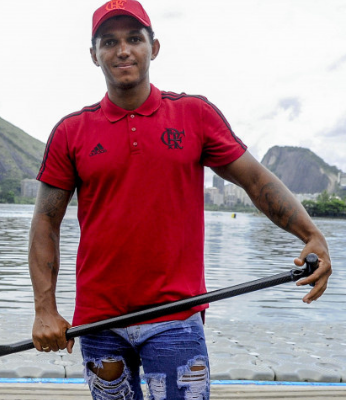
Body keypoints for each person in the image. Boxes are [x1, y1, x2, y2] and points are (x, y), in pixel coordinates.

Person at [28, 1, 332, 399]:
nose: (123, 50)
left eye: (134, 39)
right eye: (110, 41)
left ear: (153, 48)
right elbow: (46, 222)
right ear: (94, 54)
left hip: (176, 318)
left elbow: (256, 181)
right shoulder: (71, 131)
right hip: (99, 322)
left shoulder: (195, 115)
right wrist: (44, 309)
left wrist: (311, 234)